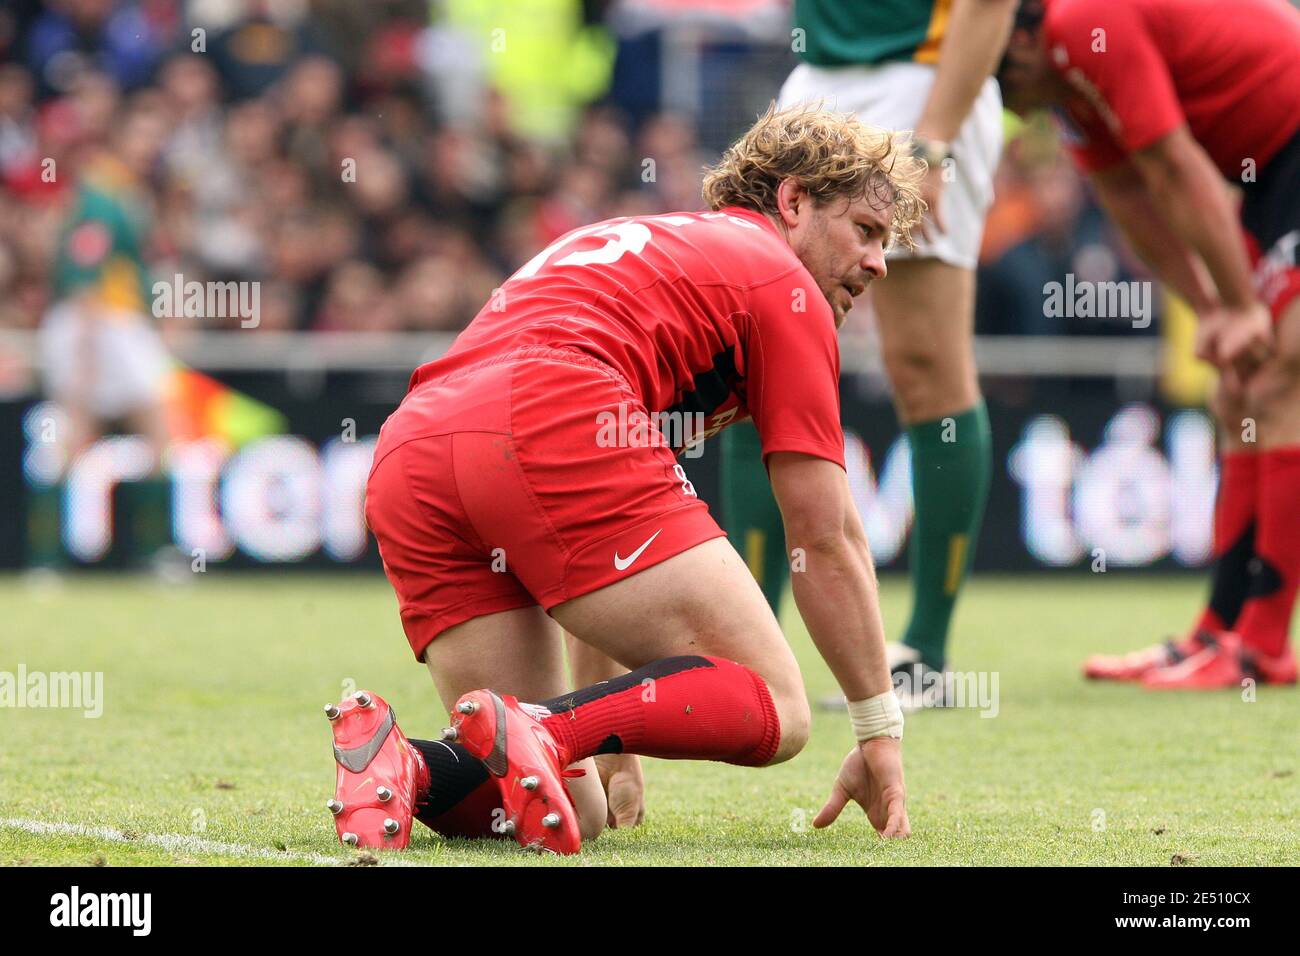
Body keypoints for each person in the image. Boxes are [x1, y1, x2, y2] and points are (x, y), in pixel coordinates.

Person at [326, 105, 925, 853]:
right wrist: (878, 729)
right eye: (866, 231)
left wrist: (614, 737)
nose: (879, 263)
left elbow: (586, 570)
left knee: (568, 811)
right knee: (778, 706)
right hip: (548, 412)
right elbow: (826, 535)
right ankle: (546, 728)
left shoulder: (653, 246)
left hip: (414, 447)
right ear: (794, 201)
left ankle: (404, 764)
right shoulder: (782, 281)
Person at [721, 0, 1017, 708]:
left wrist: (936, 140)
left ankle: (925, 653)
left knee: (925, 364)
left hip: (922, 84)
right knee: (751, 353)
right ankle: (745, 646)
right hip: (814, 83)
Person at [998, 0, 1300, 688]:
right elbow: (1130, 199)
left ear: (1020, 41)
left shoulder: (1079, 31)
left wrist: (1240, 306)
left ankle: (1262, 648)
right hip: (1274, 172)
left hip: (1288, 153)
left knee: (1280, 380)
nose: (1011, 103)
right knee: (1238, 392)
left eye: (1001, 82)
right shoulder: (1065, 84)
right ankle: (1219, 633)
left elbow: (1171, 164)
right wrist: (1217, 309)